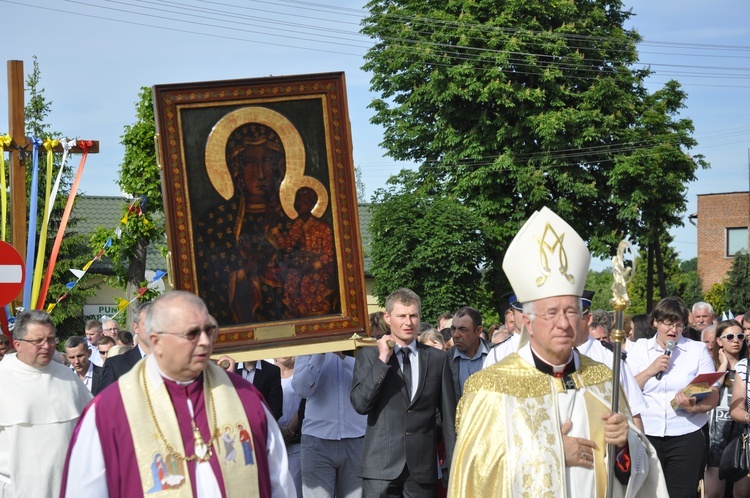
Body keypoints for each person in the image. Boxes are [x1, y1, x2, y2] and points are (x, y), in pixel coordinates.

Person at [449, 206, 667, 497]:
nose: (563, 323)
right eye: (551, 312)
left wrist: (625, 442)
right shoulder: (490, 387)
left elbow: (635, 470)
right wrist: (552, 453)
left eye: (571, 311)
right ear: (528, 321)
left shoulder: (602, 379)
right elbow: (475, 474)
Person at [61, 290, 296, 497]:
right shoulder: (110, 412)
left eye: (209, 330)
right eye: (191, 333)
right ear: (157, 341)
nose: (205, 341)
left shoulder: (246, 399)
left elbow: (280, 485)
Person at [351, 288, 456, 497]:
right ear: (388, 318)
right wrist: (382, 360)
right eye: (402, 316)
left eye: (413, 315)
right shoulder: (370, 357)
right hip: (380, 468)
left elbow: (449, 418)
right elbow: (360, 404)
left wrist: (452, 466)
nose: (408, 322)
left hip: (422, 470)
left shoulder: (437, 359)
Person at [628, 296, 719, 498]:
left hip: (686, 434)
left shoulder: (696, 350)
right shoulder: (639, 349)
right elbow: (625, 390)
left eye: (679, 325)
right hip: (647, 433)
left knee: (682, 493)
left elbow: (713, 394)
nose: (674, 330)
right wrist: (650, 370)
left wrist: (694, 406)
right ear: (655, 322)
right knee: (648, 492)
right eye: (669, 324)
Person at [0, 310, 92, 497]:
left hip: (67, 486)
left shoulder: (68, 377)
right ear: (18, 344)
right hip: (17, 489)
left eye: (51, 339)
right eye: (38, 341)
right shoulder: (3, 376)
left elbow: (95, 422)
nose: (47, 346)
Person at [293, 352, 367, 498]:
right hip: (317, 439)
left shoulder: (360, 344)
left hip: (357, 437)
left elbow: (371, 380)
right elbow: (301, 390)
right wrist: (319, 354)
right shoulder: (309, 348)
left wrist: (343, 356)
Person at [705, 319, 750, 498]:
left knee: (742, 493)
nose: (736, 340)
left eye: (740, 336)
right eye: (730, 336)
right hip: (715, 440)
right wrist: (722, 367)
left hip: (743, 439)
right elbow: (698, 393)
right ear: (719, 341)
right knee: (714, 493)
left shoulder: (746, 368)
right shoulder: (709, 366)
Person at [97, 302, 151, 394]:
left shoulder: (177, 361)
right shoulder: (115, 365)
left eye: (159, 323)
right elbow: (104, 403)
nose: (153, 327)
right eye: (147, 323)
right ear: (136, 328)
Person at [275, 356, 303, 498]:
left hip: (295, 441)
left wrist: (290, 430)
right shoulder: (268, 374)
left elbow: (304, 404)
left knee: (295, 487)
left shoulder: (301, 373)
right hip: (274, 440)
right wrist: (278, 430)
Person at [448, 306, 491, 399]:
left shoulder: (496, 355)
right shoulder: (445, 360)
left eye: (463, 329)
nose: (455, 335)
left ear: (478, 331)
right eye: (453, 329)